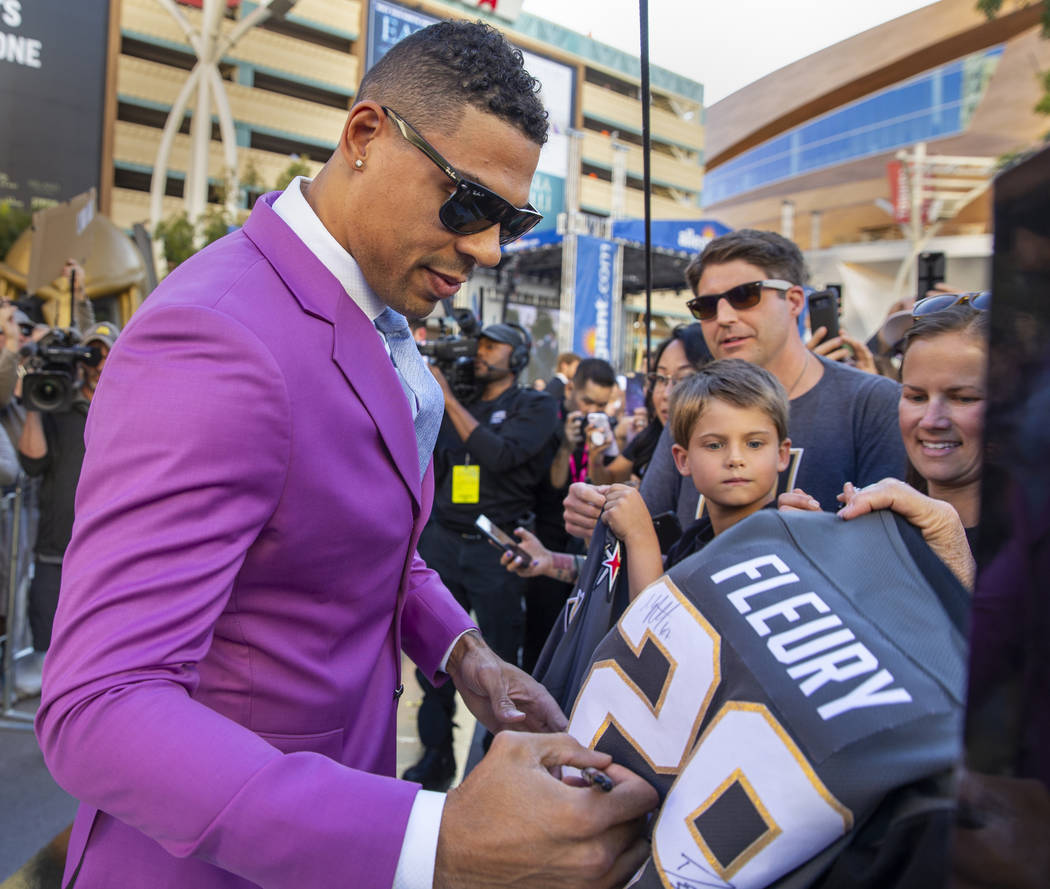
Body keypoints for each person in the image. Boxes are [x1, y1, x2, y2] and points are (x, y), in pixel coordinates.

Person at [35, 22, 656, 889]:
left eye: (511, 221)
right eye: (469, 202)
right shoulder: (216, 334)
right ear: (365, 135)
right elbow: (100, 707)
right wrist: (429, 837)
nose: (488, 250)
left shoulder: (375, 308)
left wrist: (463, 652)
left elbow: (359, 536)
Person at [565, 229, 906, 538]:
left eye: (745, 296)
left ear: (794, 302)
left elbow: (884, 555)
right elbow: (650, 531)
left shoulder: (872, 402)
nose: (725, 318)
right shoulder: (692, 402)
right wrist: (601, 516)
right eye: (707, 306)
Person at [403, 321, 559, 790]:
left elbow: (502, 456)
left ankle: (500, 767)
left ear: (518, 356)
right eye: (481, 345)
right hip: (443, 543)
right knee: (436, 659)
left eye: (494, 347)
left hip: (497, 552)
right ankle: (436, 756)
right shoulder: (456, 400)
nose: (483, 353)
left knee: (497, 660)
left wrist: (447, 398)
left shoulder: (535, 405)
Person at [507, 359, 790, 604]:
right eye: (715, 445)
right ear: (682, 460)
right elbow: (659, 572)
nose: (735, 458)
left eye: (754, 443)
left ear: (782, 454)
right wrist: (550, 561)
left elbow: (656, 624)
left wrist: (640, 535)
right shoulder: (697, 537)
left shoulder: (786, 543)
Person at [16, 321, 116, 657]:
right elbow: (32, 463)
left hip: (105, 556)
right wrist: (34, 402)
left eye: (105, 355)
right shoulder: (59, 404)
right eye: (92, 355)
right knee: (48, 646)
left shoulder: (127, 411)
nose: (99, 364)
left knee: (96, 650)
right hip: (54, 552)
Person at [589, 324, 710, 485]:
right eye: (660, 378)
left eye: (685, 379)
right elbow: (609, 479)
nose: (667, 394)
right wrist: (596, 457)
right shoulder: (650, 436)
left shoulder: (711, 457)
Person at [549, 356, 617, 490]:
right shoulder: (549, 419)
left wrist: (596, 457)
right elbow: (554, 485)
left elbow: (604, 489)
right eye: (587, 402)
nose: (593, 411)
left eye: (601, 405)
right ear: (569, 389)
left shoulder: (604, 425)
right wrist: (566, 447)